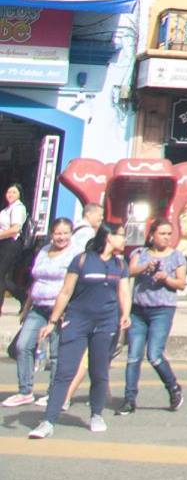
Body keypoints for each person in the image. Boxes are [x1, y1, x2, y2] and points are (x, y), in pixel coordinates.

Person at [27, 213, 131, 439]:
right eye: (121, 235)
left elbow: (124, 291)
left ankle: (96, 414)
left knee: (99, 371)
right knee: (64, 371)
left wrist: (125, 314)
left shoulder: (120, 264)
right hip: (77, 320)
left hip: (106, 322)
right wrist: (52, 321)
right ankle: (48, 421)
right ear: (108, 236)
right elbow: (65, 292)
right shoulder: (82, 260)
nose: (124, 240)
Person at [6, 217, 78, 408]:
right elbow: (35, 281)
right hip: (38, 307)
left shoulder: (75, 254)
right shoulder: (45, 251)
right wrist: (26, 307)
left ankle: (53, 393)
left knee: (55, 354)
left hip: (61, 309)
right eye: (57, 233)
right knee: (22, 346)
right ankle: (25, 391)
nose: (61, 237)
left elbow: (73, 286)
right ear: (52, 234)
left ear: (71, 233)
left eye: (65, 233)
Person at [120, 218, 187, 414]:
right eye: (162, 234)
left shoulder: (177, 257)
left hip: (162, 309)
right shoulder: (140, 253)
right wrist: (144, 268)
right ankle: (129, 398)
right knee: (133, 356)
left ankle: (173, 387)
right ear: (152, 235)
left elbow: (181, 283)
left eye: (169, 234)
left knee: (154, 355)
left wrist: (166, 278)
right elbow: (128, 271)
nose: (166, 238)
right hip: (139, 309)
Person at [0, 185, 28, 317]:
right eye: (8, 191)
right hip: (4, 242)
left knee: (1, 274)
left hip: (11, 243)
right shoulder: (7, 209)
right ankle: (22, 296)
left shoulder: (18, 208)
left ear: (19, 194)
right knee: (2, 276)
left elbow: (15, 229)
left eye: (14, 192)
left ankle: (22, 296)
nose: (10, 194)